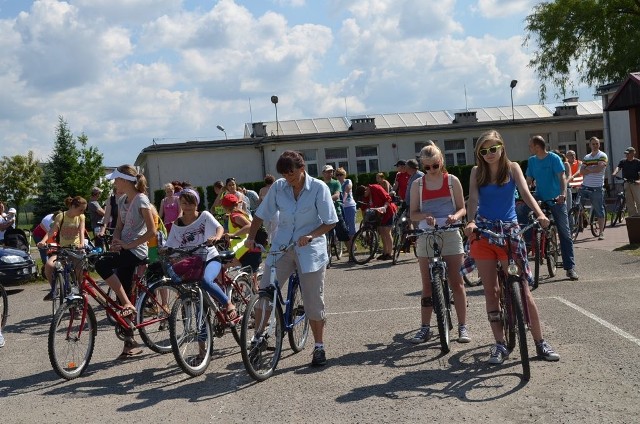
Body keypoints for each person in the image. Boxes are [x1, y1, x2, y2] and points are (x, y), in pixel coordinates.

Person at [463, 129, 560, 364]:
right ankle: (499, 344)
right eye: (483, 151)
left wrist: (539, 214)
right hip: (484, 232)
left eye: (493, 148)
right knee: (492, 292)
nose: (489, 154)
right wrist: (471, 220)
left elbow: (526, 195)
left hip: (509, 231)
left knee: (524, 292)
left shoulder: (513, 167)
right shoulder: (477, 172)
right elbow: (473, 199)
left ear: (501, 147)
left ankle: (540, 342)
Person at [244, 150, 338, 366]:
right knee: (266, 290)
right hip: (283, 246)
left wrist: (311, 235)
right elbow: (260, 215)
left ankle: (319, 347)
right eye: (285, 175)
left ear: (302, 168)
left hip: (310, 248)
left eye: (292, 174)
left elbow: (331, 221)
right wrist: (251, 238)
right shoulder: (278, 187)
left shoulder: (318, 188)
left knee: (313, 299)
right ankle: (258, 339)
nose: (289, 179)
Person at [408, 144, 470, 344]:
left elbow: (463, 208)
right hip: (427, 234)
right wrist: (425, 215)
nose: (431, 171)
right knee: (427, 286)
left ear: (441, 161)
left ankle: (463, 327)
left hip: (450, 232)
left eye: (435, 166)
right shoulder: (418, 184)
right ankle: (425, 327)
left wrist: (455, 216)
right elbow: (413, 213)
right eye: (426, 167)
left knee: (457, 282)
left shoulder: (452, 181)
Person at [94, 165, 156, 359]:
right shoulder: (121, 200)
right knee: (123, 295)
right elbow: (119, 226)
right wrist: (115, 241)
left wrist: (129, 245)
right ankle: (129, 343)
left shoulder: (142, 200)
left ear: (125, 180)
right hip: (124, 249)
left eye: (116, 180)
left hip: (136, 251)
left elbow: (152, 232)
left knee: (101, 265)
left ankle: (129, 303)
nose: (114, 183)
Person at [164, 188, 236, 322]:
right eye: (184, 203)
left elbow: (219, 227)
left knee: (206, 281)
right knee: (195, 295)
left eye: (191, 203)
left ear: (197, 204)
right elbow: (170, 244)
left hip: (210, 258)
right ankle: (203, 337)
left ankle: (228, 303)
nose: (188, 206)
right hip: (192, 263)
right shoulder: (177, 224)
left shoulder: (205, 216)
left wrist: (216, 236)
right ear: (180, 203)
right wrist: (165, 250)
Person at [519, 136, 579, 281]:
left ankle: (570, 268)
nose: (529, 148)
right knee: (521, 210)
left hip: (556, 199)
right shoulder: (532, 161)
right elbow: (528, 181)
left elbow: (562, 177)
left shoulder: (553, 158)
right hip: (540, 196)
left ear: (537, 147)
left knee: (564, 233)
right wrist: (525, 195)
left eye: (530, 146)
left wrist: (562, 194)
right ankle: (528, 241)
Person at [37, 196, 87, 300]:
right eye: (80, 209)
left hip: (76, 249)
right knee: (49, 266)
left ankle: (80, 292)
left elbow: (81, 231)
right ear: (73, 206)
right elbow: (52, 231)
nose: (82, 212)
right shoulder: (61, 216)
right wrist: (43, 241)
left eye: (83, 210)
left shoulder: (81, 217)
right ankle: (54, 290)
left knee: (79, 270)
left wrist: (81, 244)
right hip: (63, 249)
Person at [220, 193, 262, 290]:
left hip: (248, 251)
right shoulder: (235, 215)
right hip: (244, 251)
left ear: (225, 207)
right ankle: (234, 290)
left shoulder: (235, 216)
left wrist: (234, 235)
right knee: (223, 267)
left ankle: (258, 301)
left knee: (253, 285)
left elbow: (250, 226)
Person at [355, 183, 397, 260]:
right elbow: (363, 209)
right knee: (381, 232)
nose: (364, 197)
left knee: (387, 231)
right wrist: (365, 220)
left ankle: (390, 253)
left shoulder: (376, 188)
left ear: (366, 190)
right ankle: (385, 252)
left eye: (364, 195)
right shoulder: (365, 197)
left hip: (388, 211)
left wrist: (384, 207)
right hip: (378, 215)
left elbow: (388, 198)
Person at [579, 137, 608, 240]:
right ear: (589, 145)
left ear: (599, 145)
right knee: (578, 206)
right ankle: (585, 219)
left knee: (599, 210)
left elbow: (599, 169)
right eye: (593, 144)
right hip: (585, 185)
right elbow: (581, 171)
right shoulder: (587, 157)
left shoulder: (602, 155)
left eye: (597, 144)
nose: (595, 145)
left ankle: (601, 232)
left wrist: (588, 168)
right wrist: (592, 168)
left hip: (597, 187)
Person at [612, 146, 640, 216]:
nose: (626, 155)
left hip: (635, 183)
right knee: (629, 201)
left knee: (638, 199)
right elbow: (618, 168)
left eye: (628, 153)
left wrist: (639, 181)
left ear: (633, 153)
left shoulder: (637, 162)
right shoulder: (623, 161)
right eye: (626, 154)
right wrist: (615, 173)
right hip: (626, 182)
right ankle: (632, 216)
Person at [336, 167, 357, 251]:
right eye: (337, 175)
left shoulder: (348, 181)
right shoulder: (336, 183)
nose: (339, 176)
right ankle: (350, 247)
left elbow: (346, 191)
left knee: (351, 226)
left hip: (349, 206)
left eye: (341, 174)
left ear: (344, 175)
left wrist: (343, 201)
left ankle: (352, 246)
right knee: (344, 228)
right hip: (341, 207)